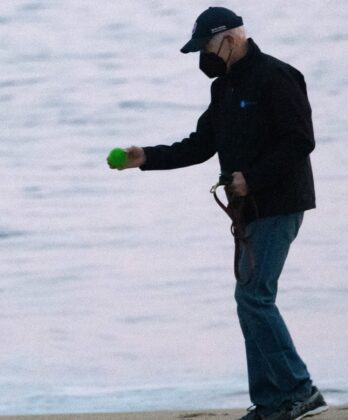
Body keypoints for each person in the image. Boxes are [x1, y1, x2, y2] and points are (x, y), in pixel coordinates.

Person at [112, 7, 328, 420]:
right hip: (247, 210)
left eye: (205, 47)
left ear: (229, 39)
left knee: (253, 297)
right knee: (250, 300)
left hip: (280, 203)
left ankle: (301, 391)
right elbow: (199, 145)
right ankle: (270, 403)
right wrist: (145, 158)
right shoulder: (224, 88)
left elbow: (300, 140)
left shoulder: (278, 76)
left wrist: (254, 178)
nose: (202, 57)